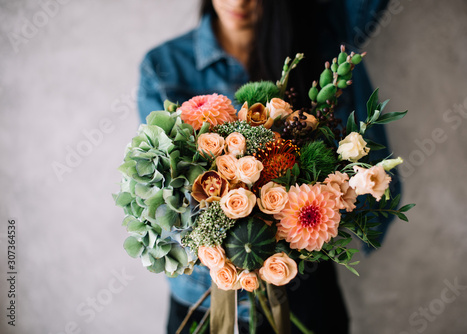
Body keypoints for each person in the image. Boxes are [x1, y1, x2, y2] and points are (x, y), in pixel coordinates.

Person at [137, 1, 396, 332]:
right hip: (203, 297)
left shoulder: (320, 51)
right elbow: (161, 188)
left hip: (302, 288)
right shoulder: (163, 66)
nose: (238, 2)